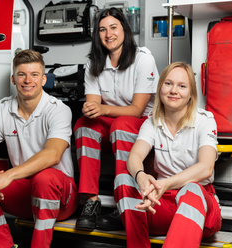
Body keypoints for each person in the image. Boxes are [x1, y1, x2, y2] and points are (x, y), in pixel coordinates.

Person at [0, 49, 79, 248]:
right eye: (21, 74)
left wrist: (9, 175)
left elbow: (53, 154)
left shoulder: (58, 110)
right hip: (26, 194)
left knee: (44, 178)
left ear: (43, 80)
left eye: (34, 74)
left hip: (61, 198)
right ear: (13, 79)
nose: (27, 80)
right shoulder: (1, 111)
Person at [114, 62, 222, 247]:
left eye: (182, 86)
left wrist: (166, 183)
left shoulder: (205, 120)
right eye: (168, 83)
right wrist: (140, 176)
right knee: (123, 179)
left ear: (191, 94)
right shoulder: (152, 122)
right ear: (160, 87)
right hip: (162, 204)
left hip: (200, 211)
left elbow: (206, 167)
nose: (174, 90)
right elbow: (135, 156)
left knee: (192, 189)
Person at [74, 7, 159, 231]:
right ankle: (90, 201)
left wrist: (102, 109)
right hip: (114, 123)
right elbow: (94, 107)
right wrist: (90, 109)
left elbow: (137, 110)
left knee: (121, 125)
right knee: (84, 125)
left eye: (113, 27)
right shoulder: (94, 62)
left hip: (141, 124)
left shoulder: (143, 59)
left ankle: (124, 201)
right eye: (102, 29)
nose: (108, 34)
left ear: (124, 30)